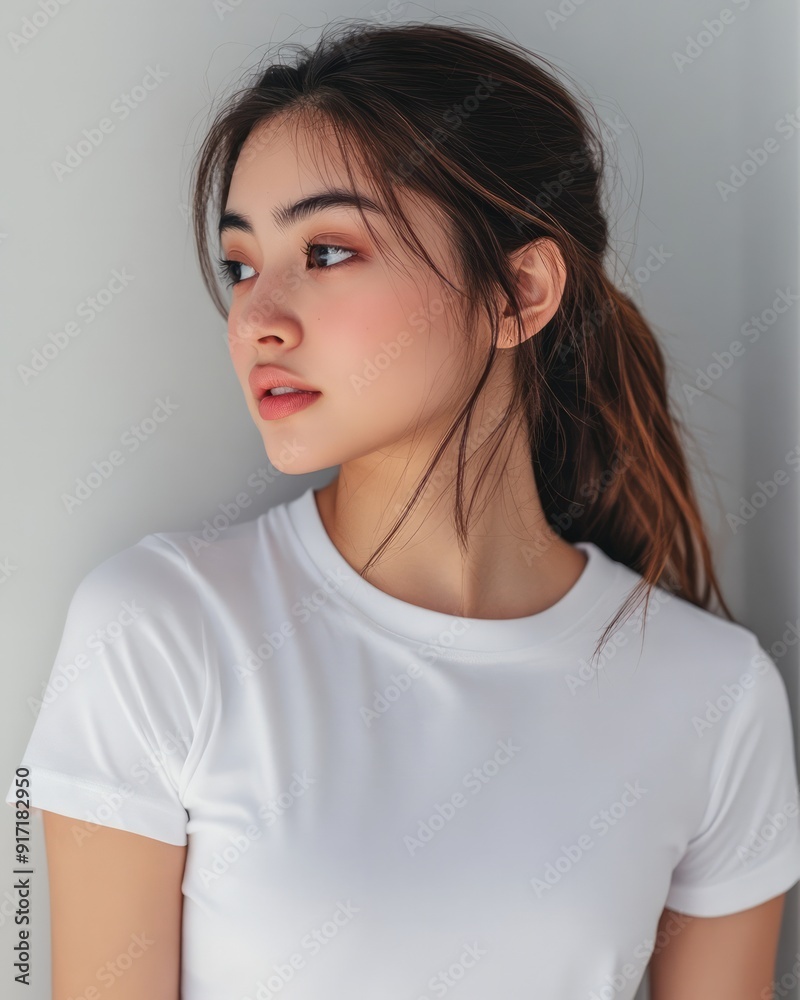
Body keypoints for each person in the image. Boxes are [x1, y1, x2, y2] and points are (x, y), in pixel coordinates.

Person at [7, 19, 800, 1000]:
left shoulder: (715, 698)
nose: (257, 319)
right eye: (241, 265)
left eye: (329, 250)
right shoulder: (160, 631)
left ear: (517, 290)